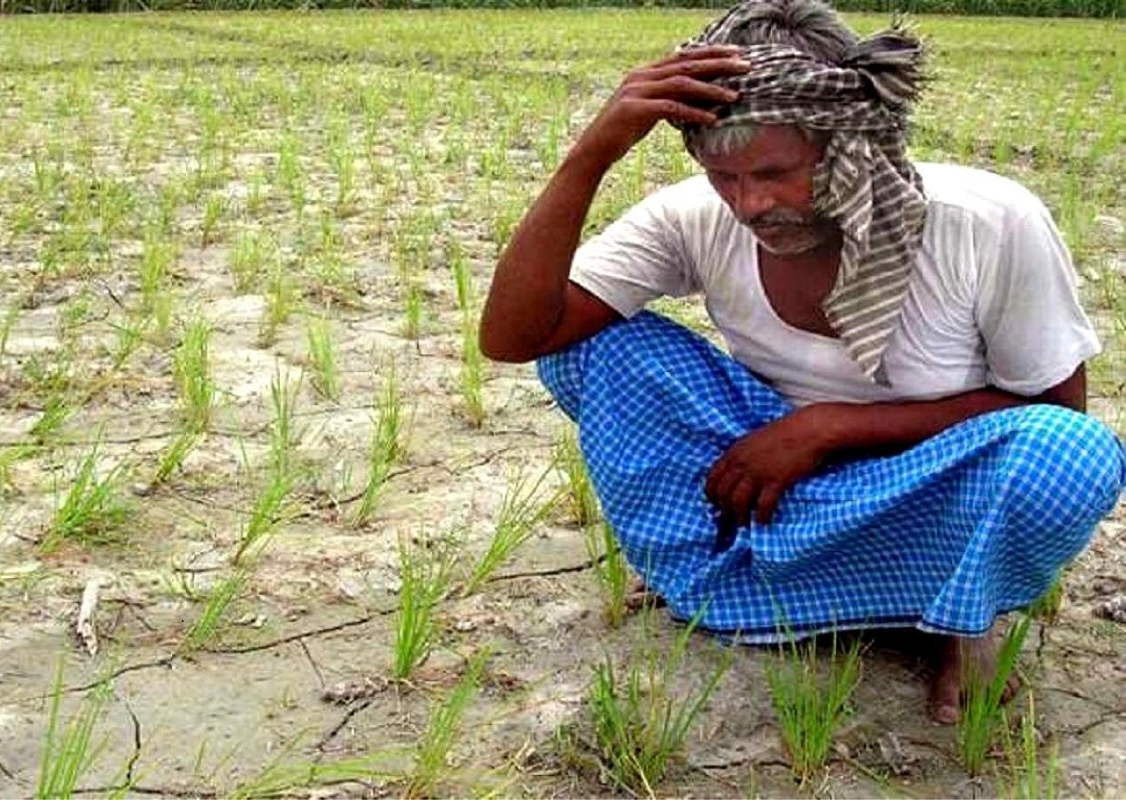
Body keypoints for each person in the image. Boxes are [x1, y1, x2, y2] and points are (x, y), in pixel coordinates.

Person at [478, 0, 1126, 724]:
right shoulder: (692, 217)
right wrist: (591, 152)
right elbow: (515, 336)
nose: (751, 204)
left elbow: (1057, 411)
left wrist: (830, 428)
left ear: (850, 141)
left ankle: (958, 615)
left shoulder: (987, 222)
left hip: (924, 481)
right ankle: (747, 579)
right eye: (724, 178)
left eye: (778, 172)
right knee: (589, 350)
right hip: (768, 479)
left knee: (1069, 455)